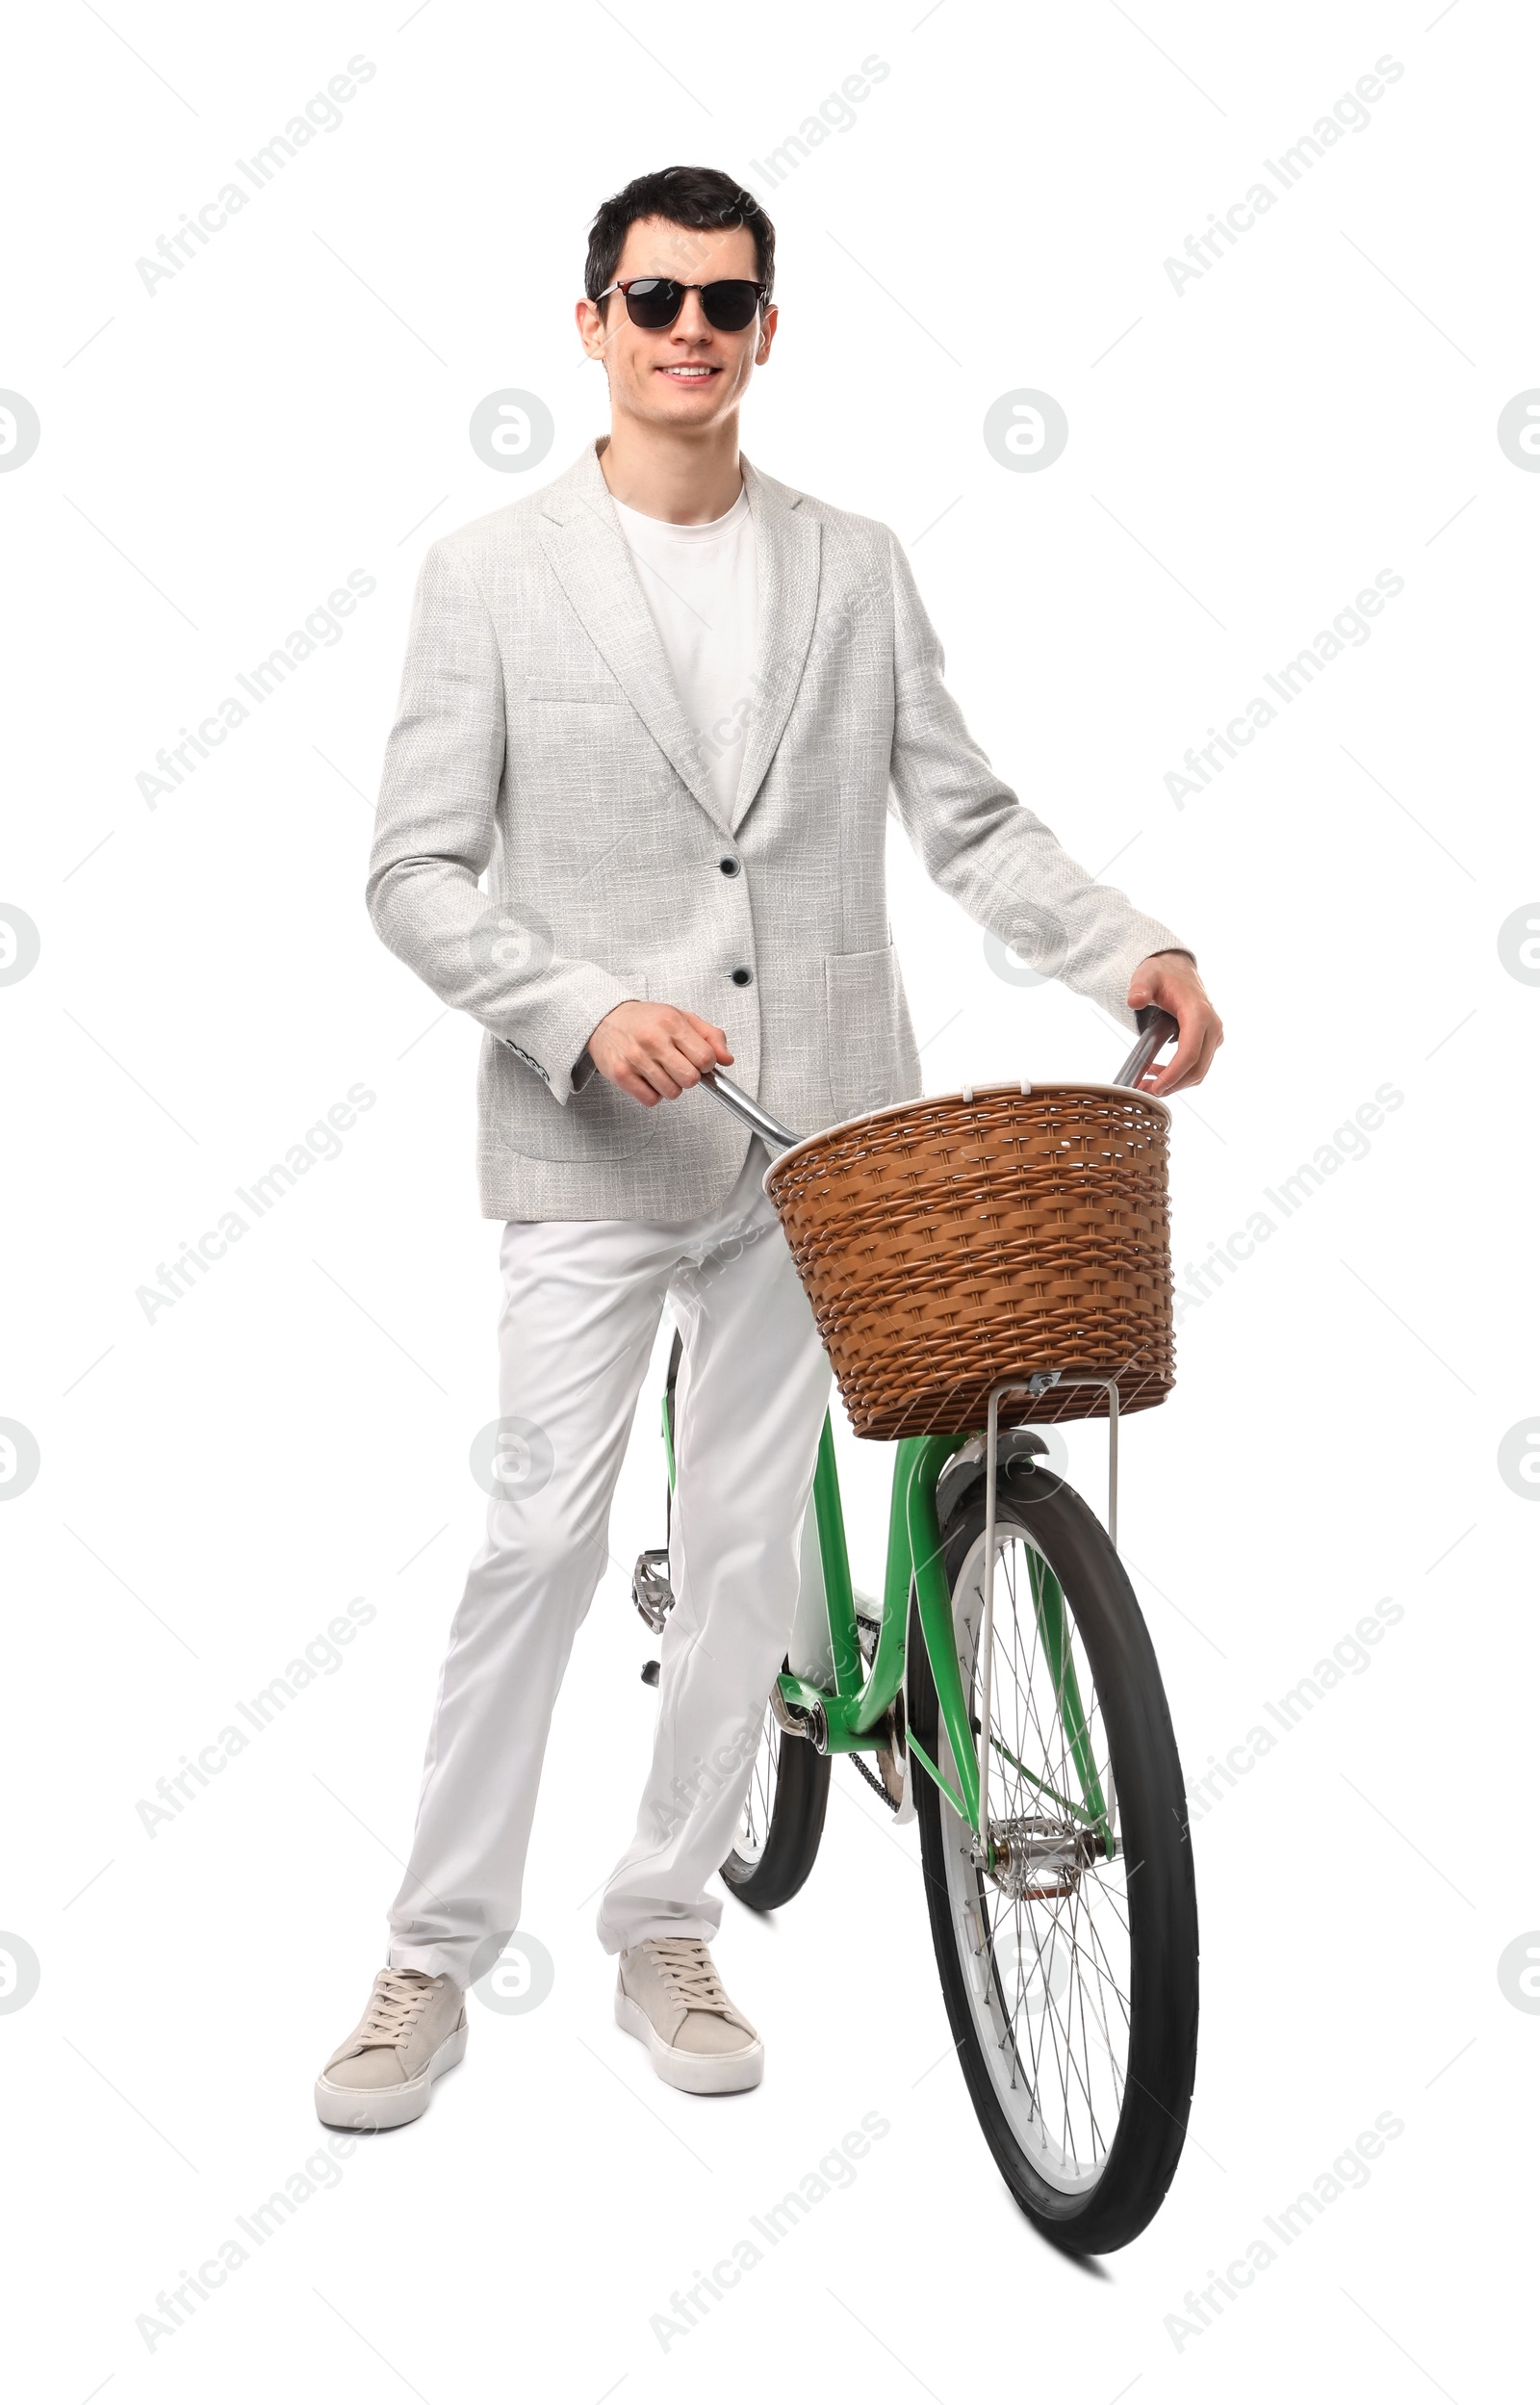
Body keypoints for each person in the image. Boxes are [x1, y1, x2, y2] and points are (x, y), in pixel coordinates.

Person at [314, 163, 1223, 2131]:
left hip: (817, 1143)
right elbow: (410, 870)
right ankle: (430, 1955)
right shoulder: (486, 574)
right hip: (587, 1144)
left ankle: (662, 1914)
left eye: (724, 303)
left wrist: (1125, 942)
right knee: (537, 1543)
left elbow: (965, 823)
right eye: (652, 299)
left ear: (766, 330)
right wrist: (573, 1004)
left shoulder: (853, 563)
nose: (687, 333)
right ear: (590, 324)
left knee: (740, 1552)